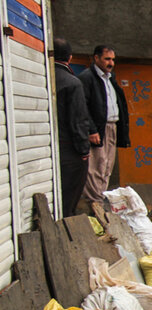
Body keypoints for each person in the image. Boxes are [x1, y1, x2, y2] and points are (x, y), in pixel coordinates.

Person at [78, 44, 130, 204]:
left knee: (107, 166)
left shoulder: (109, 79)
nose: (111, 63)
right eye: (107, 59)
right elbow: (82, 106)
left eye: (113, 60)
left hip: (112, 126)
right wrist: (91, 129)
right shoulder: (87, 78)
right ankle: (95, 201)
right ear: (96, 58)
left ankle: (100, 197)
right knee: (96, 166)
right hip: (98, 129)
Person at [52, 38, 90, 218]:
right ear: (70, 57)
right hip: (69, 149)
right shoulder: (72, 83)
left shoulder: (45, 76)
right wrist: (83, 150)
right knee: (69, 195)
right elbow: (78, 120)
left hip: (50, 147)